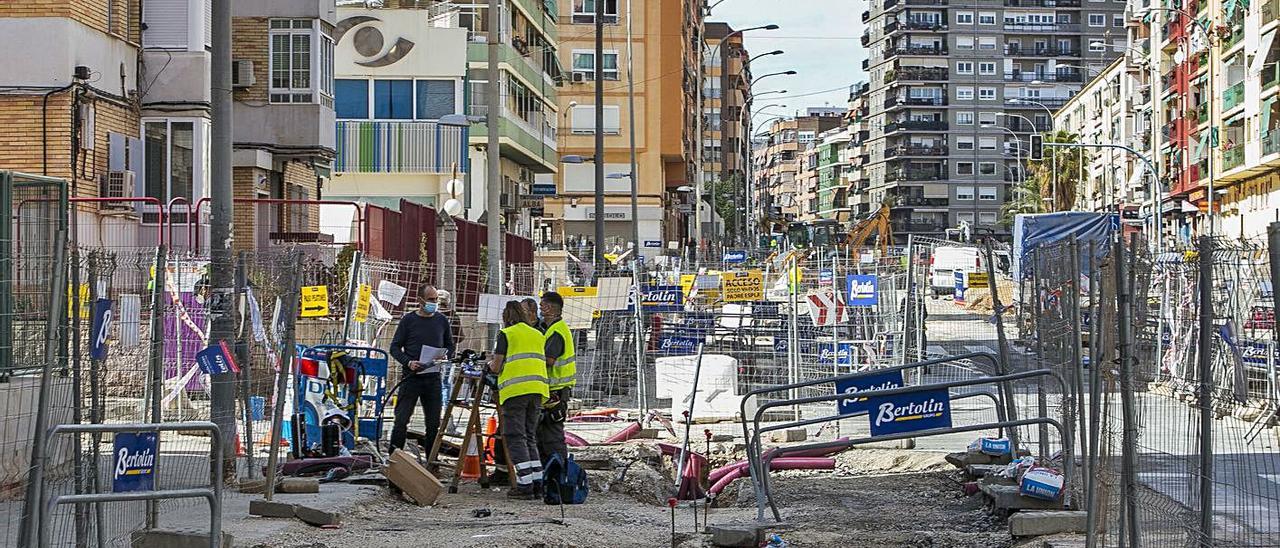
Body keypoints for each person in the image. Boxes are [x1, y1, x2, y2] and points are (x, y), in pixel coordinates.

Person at [490, 301, 550, 499]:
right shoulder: (537, 333)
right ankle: (537, 482)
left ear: (507, 317)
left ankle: (524, 485)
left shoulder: (506, 334)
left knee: (515, 437)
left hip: (516, 390)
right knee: (529, 436)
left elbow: (497, 366)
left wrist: (489, 364)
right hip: (538, 389)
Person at [388, 285, 454, 453]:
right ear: (420, 301)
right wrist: (408, 362)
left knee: (433, 424)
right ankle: (394, 457)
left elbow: (450, 345)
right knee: (401, 420)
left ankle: (432, 461)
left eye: (436, 300)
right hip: (411, 378)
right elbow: (395, 347)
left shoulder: (441, 320)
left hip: (433, 378)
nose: (434, 303)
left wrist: (445, 355)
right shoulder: (408, 321)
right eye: (431, 299)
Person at [536, 291, 574, 464]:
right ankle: (549, 470)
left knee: (552, 432)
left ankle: (558, 469)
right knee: (544, 432)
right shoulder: (553, 329)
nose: (540, 308)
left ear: (550, 308)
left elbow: (549, 360)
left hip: (556, 390)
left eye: (542, 305)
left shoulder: (556, 332)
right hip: (554, 389)